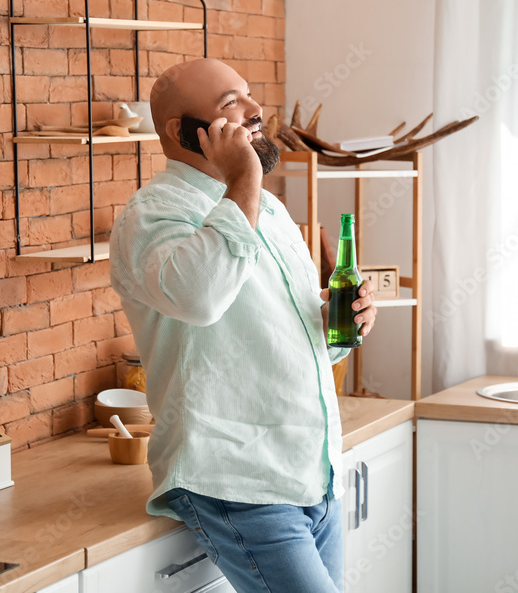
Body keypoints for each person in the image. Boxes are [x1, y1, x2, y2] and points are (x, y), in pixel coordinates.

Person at [109, 58, 378, 592]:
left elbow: (277, 332)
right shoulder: (152, 215)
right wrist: (244, 177)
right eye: (231, 104)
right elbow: (202, 297)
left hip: (309, 473)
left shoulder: (269, 210)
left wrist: (334, 323)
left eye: (250, 97)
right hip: (237, 480)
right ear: (183, 131)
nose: (257, 111)